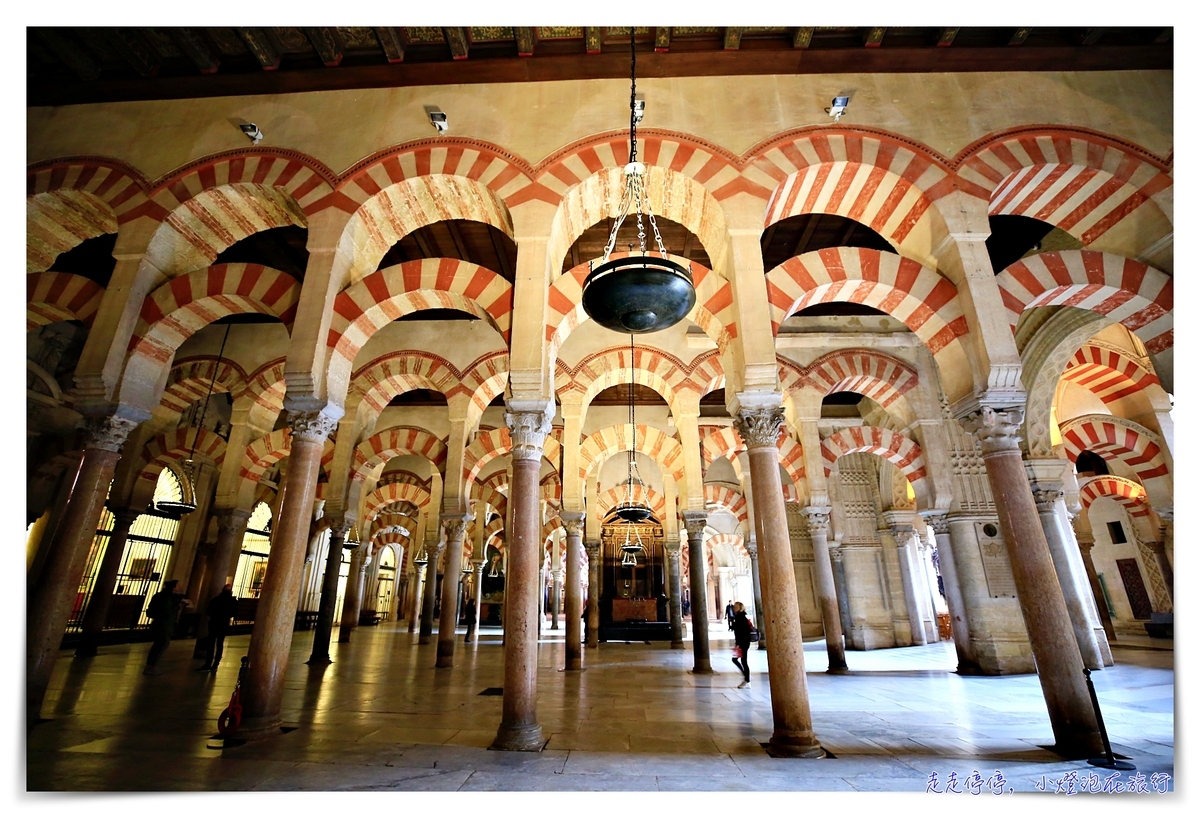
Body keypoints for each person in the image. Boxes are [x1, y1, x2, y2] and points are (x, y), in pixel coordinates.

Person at [144, 579, 187, 675]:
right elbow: (166, 610)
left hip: (160, 623)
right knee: (162, 644)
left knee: (158, 644)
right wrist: (177, 605)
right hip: (164, 624)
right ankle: (151, 666)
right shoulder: (168, 598)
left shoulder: (159, 595)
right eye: (177, 586)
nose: (179, 588)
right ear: (174, 587)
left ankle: (150, 665)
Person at [198, 583, 238, 672]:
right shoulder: (232, 601)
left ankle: (208, 663)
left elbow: (208, 611)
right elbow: (234, 613)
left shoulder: (216, 600)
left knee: (211, 644)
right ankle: (216, 664)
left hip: (214, 623)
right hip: (223, 624)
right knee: (220, 644)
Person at [730, 602, 755, 689]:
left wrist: (738, 644)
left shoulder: (740, 618)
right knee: (738, 660)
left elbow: (741, 633)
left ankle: (747, 680)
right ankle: (746, 678)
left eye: (735, 607)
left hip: (743, 643)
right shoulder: (740, 617)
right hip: (743, 642)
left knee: (742, 660)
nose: (733, 608)